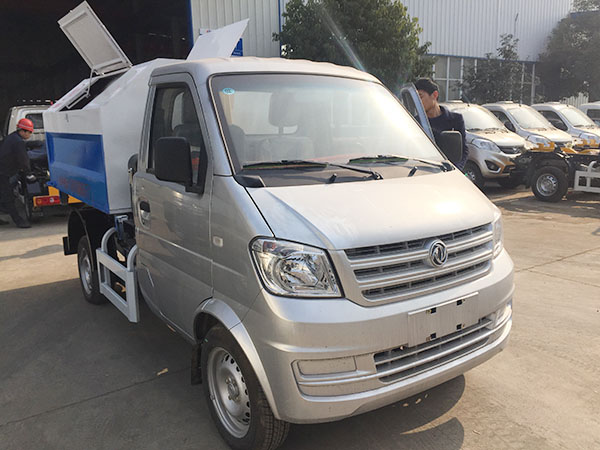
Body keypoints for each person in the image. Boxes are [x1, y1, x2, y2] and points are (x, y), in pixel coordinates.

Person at [414, 78, 469, 170]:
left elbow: (463, 151)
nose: (418, 102)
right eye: (415, 98)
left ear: (435, 95)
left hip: (448, 172)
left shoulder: (455, 120)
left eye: (420, 97)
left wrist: (455, 169)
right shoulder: (416, 122)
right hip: (423, 171)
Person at [0, 118, 35, 228]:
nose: (30, 135)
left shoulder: (11, 137)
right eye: (29, 132)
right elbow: (23, 160)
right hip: (3, 172)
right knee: (8, 197)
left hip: (4, 170)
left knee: (3, 196)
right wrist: (29, 173)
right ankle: (19, 221)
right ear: (23, 131)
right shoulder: (18, 142)